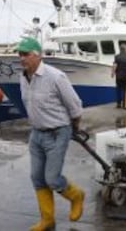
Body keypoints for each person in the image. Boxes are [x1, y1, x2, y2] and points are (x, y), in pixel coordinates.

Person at [15, 37, 85, 230]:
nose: (22, 58)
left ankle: (76, 195)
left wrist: (74, 128)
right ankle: (47, 220)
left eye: (26, 54)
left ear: (38, 55)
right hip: (36, 134)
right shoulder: (22, 77)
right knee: (37, 178)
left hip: (57, 133)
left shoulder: (56, 77)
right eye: (20, 54)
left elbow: (75, 107)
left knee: (52, 179)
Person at [111, 44, 126, 108]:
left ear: (120, 49)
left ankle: (118, 104)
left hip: (118, 77)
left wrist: (112, 73)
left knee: (118, 90)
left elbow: (115, 65)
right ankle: (125, 104)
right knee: (125, 90)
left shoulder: (117, 56)